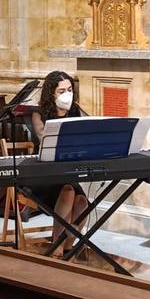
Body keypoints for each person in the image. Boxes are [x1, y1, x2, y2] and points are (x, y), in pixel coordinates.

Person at [29, 71, 90, 258]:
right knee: (69, 191)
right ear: (51, 93)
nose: (67, 94)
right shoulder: (38, 114)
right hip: (43, 172)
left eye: (70, 90)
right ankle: (56, 250)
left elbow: (93, 126)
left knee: (82, 203)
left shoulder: (75, 110)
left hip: (67, 171)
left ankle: (66, 247)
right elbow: (45, 142)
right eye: (62, 91)